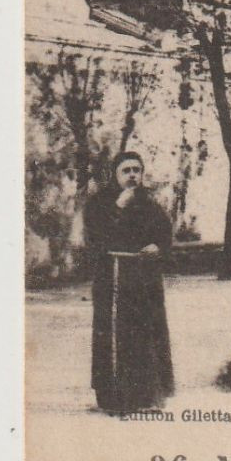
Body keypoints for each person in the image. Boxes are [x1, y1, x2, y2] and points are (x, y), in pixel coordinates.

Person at [84, 151, 175, 413]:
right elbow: (95, 238)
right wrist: (117, 208)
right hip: (112, 278)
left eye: (137, 170)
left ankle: (146, 397)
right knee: (115, 334)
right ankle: (113, 398)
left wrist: (159, 247)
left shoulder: (150, 204)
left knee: (146, 332)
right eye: (126, 170)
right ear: (115, 174)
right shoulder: (100, 203)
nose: (133, 175)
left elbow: (165, 236)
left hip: (145, 280)